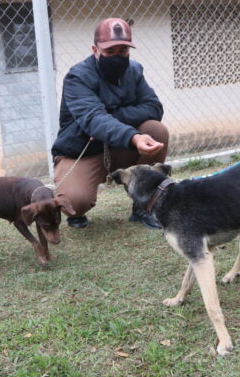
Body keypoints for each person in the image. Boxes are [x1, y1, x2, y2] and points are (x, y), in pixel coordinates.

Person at [52, 17, 169, 229]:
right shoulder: (77, 77)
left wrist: (111, 114)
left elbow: (154, 107)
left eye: (122, 51)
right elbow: (93, 119)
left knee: (155, 130)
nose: (117, 57)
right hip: (83, 151)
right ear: (95, 50)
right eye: (109, 51)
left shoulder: (134, 70)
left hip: (119, 148)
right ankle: (76, 208)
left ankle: (143, 206)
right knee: (75, 203)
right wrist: (133, 136)